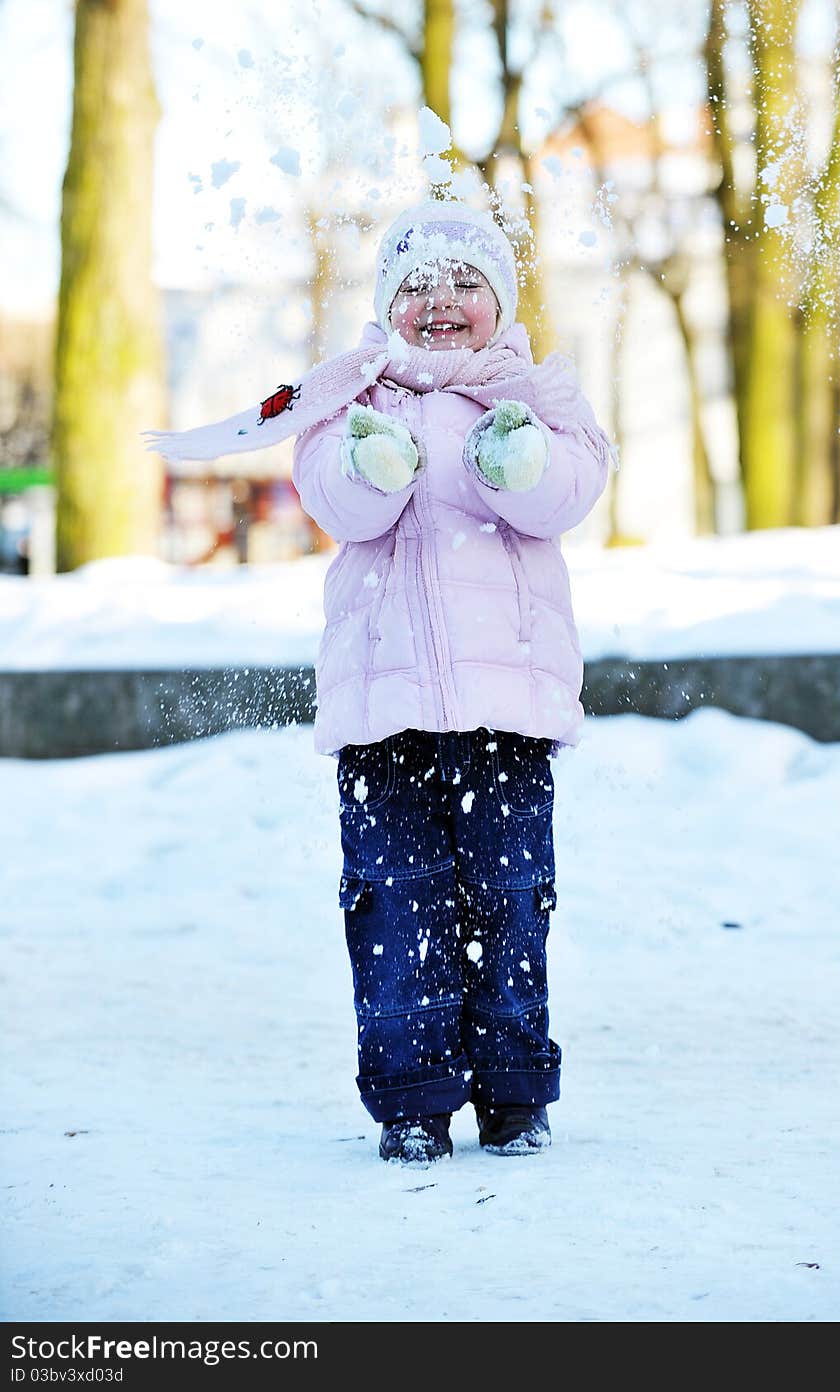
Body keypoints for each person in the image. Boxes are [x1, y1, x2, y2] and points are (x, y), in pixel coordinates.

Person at [144, 198, 614, 1165]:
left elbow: (568, 489)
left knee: (512, 900)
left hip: (508, 716)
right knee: (397, 909)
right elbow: (336, 506)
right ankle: (411, 1098)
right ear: (385, 303)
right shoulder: (349, 398)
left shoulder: (536, 394)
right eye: (415, 286)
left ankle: (517, 1095)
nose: (439, 303)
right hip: (383, 718)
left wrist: (516, 460)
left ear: (504, 299)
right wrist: (375, 465)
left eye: (465, 285)